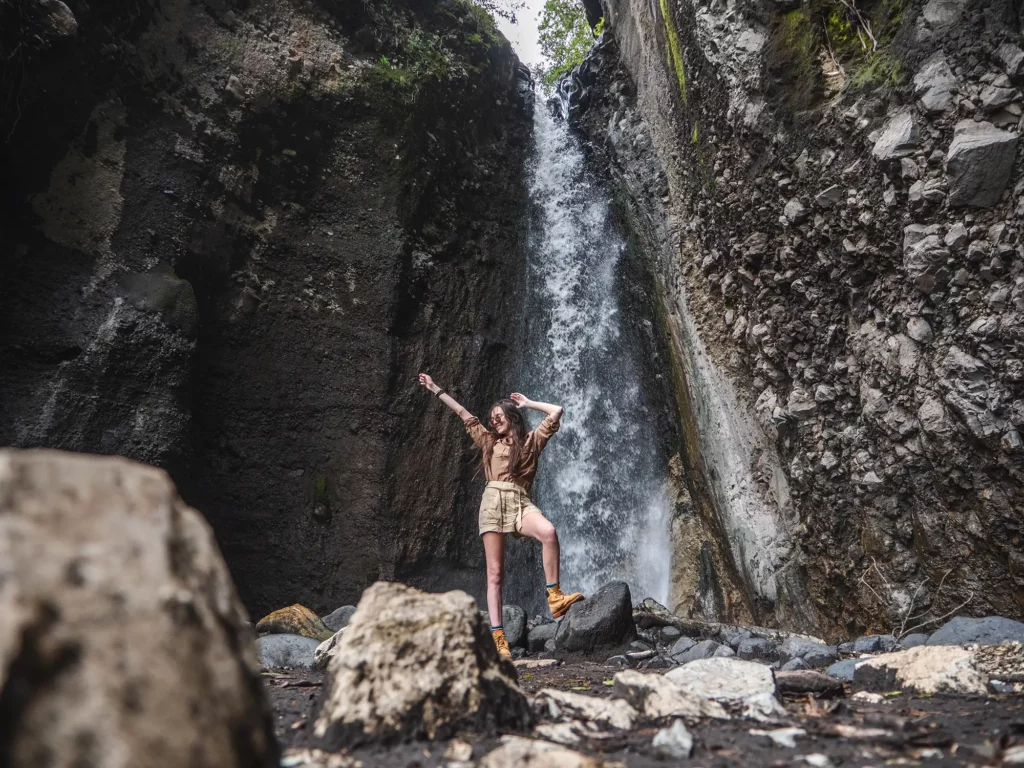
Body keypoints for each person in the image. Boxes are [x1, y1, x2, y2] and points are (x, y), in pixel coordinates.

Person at [418, 373, 585, 659]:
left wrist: (529, 403)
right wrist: (435, 389)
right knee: (495, 574)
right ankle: (499, 639)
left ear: (512, 417)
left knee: (548, 532)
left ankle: (554, 596)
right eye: (492, 417)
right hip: (493, 502)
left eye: (499, 416)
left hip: (520, 502)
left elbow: (557, 411)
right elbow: (462, 413)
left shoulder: (532, 441)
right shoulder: (487, 441)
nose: (494, 421)